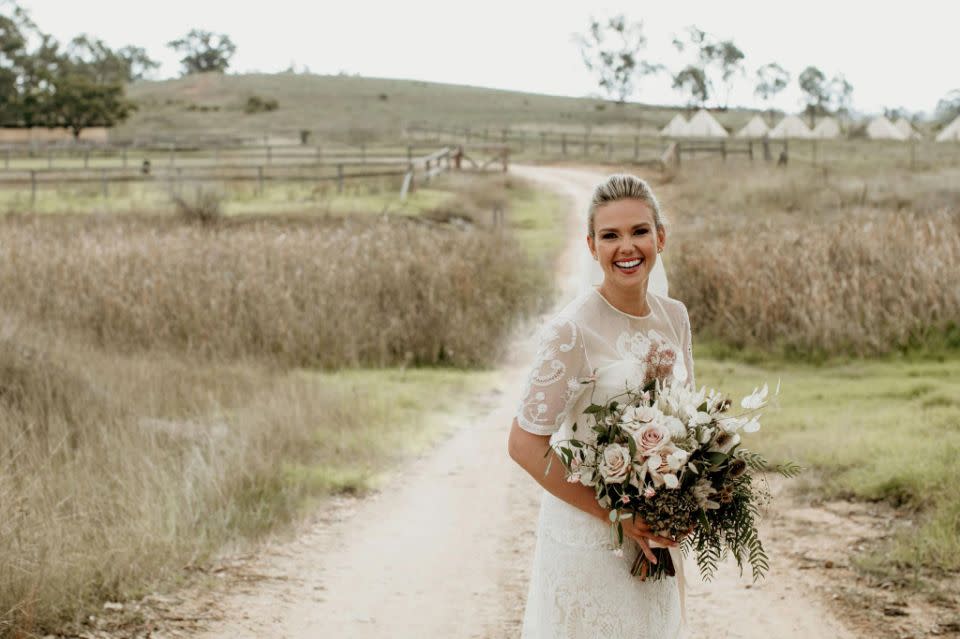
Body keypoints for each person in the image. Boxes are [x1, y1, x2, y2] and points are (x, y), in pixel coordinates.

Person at [507, 174, 694, 638]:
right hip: (592, 542)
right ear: (591, 246)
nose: (626, 247)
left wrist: (684, 499)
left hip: (653, 536)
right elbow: (524, 445)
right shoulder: (572, 331)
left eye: (639, 231)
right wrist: (620, 516)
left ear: (660, 237)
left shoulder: (676, 317)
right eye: (610, 235)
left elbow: (686, 423)